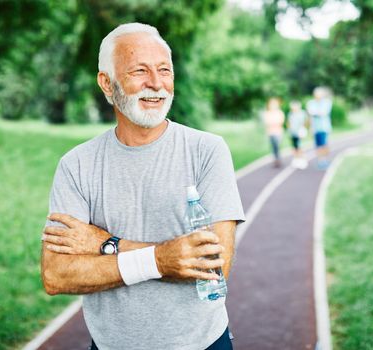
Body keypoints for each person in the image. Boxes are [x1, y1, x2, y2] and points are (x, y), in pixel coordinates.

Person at [41, 23, 245, 350]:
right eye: (140, 70)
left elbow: (215, 267)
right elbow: (57, 274)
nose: (156, 83)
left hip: (202, 343)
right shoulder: (76, 165)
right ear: (107, 83)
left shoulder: (207, 150)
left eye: (164, 70)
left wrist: (108, 244)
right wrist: (163, 259)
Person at [306, 87, 333, 169]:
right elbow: (311, 114)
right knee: (318, 146)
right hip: (315, 128)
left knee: (324, 144)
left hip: (324, 127)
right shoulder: (311, 103)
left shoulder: (327, 102)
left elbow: (323, 113)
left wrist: (315, 113)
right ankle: (320, 160)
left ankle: (324, 159)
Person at [262, 97, 285, 168]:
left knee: (277, 146)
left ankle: (278, 159)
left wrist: (272, 123)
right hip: (270, 133)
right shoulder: (267, 113)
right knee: (273, 148)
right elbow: (267, 123)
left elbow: (280, 122)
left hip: (278, 133)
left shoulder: (279, 113)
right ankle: (275, 160)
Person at [287, 100, 308, 169]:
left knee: (300, 147)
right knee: (294, 147)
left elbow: (306, 122)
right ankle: (296, 160)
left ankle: (302, 161)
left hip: (299, 133)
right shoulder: (290, 114)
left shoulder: (302, 113)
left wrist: (303, 130)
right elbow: (289, 123)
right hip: (292, 133)